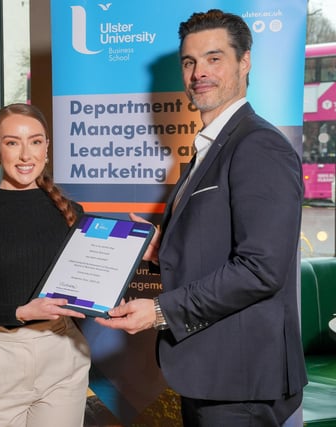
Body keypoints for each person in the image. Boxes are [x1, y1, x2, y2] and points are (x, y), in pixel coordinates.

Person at [96, 9, 307, 427]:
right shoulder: (209, 146)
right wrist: (166, 247)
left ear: (244, 62)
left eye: (214, 58)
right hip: (211, 373)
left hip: (240, 379)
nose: (198, 73)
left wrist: (159, 311)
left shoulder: (258, 145)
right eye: (190, 62)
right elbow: (223, 242)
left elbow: (261, 269)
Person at [0, 103, 91, 426]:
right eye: (12, 142)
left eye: (35, 141)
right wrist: (21, 312)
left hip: (63, 353)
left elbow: (87, 284)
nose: (26, 154)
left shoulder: (72, 212)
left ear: (47, 147)